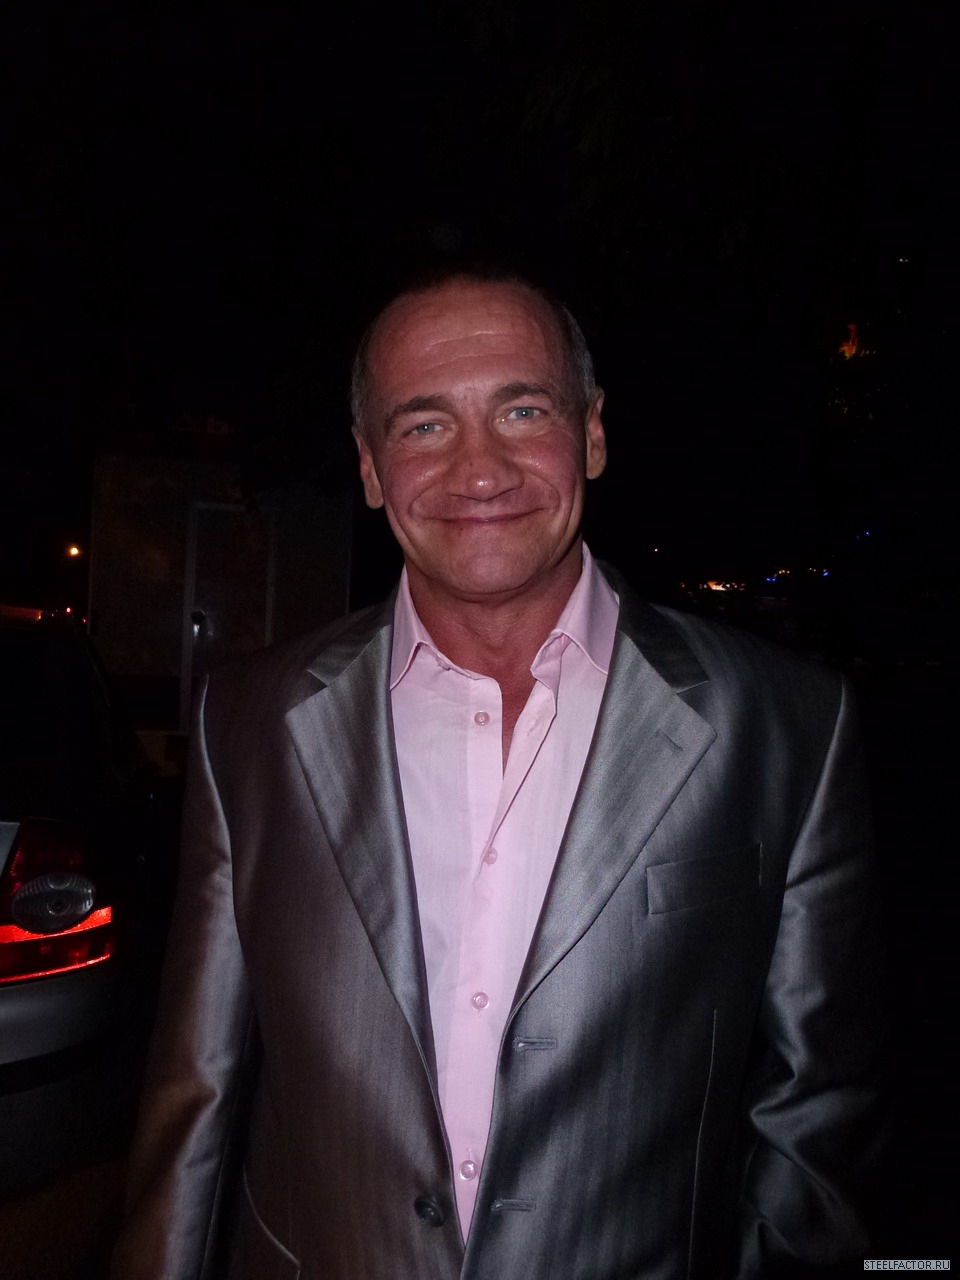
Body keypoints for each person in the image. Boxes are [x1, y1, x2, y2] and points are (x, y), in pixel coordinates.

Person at [113, 270, 886, 1280]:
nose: (480, 470)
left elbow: (816, 1110)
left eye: (523, 410)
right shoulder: (249, 723)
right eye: (425, 424)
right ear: (371, 467)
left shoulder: (786, 723)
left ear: (592, 434)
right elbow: (197, 1089)